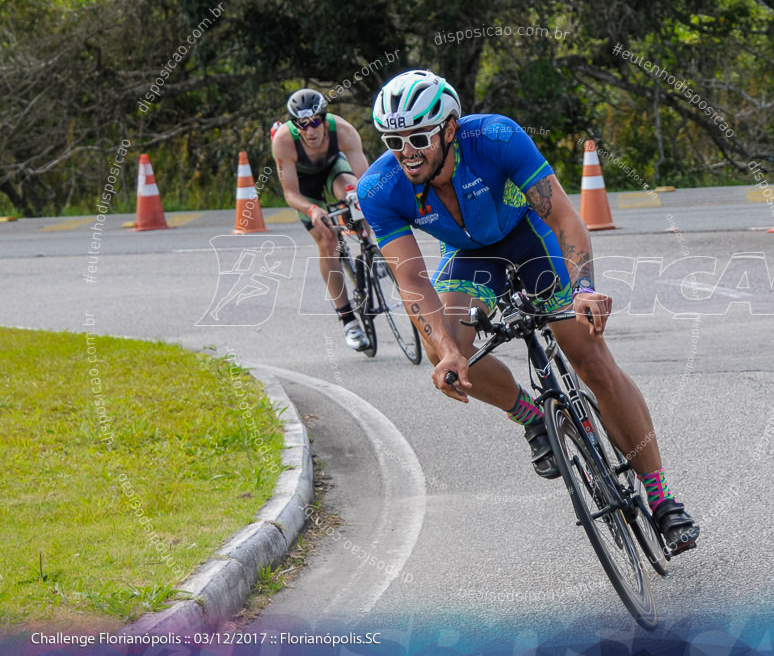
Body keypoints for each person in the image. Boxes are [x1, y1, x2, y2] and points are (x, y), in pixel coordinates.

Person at [357, 70, 699, 555]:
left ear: (449, 129)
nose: (405, 151)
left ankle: (662, 497)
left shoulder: (496, 137)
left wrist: (583, 289)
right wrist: (449, 351)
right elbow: (410, 279)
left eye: (417, 138)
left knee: (592, 360)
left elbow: (564, 217)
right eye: (393, 140)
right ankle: (532, 415)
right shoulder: (379, 188)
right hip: (472, 259)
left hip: (532, 239)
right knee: (446, 350)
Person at [272, 88, 372, 350]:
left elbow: (367, 179)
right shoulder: (283, 141)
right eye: (302, 125)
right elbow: (290, 193)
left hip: (332, 169)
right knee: (327, 240)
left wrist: (361, 201)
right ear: (294, 125)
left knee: (352, 190)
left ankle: (369, 246)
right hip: (305, 188)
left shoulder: (344, 131)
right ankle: (349, 320)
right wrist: (312, 210)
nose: (310, 130)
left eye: (316, 121)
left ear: (324, 118)